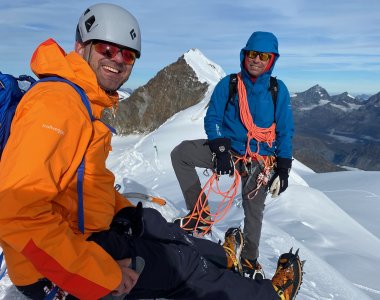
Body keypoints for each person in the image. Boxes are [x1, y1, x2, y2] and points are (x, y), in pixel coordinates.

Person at [0, 4, 302, 299]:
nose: (118, 59)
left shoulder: (81, 103)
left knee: (160, 227)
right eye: (107, 49)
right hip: (52, 264)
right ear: (81, 48)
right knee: (181, 264)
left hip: (81, 230)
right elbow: (18, 215)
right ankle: (269, 295)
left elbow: (88, 182)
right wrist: (104, 275)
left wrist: (126, 213)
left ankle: (223, 259)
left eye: (127, 53)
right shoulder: (55, 106)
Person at [172, 31, 294, 279]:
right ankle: (200, 216)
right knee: (182, 153)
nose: (256, 60)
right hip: (228, 151)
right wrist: (220, 148)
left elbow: (285, 130)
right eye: (252, 54)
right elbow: (213, 117)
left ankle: (249, 260)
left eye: (263, 56)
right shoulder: (229, 84)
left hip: (260, 158)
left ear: (271, 60)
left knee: (253, 208)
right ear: (244, 55)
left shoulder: (277, 90)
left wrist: (283, 168)